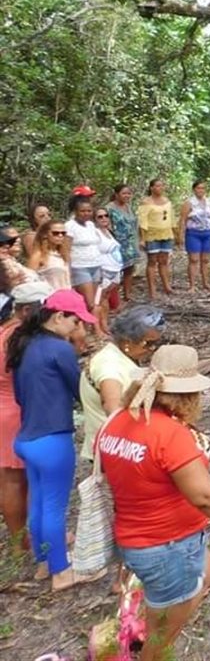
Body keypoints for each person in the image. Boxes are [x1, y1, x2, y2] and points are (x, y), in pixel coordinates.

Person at [98, 344, 210, 661]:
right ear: (187, 394)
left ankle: (150, 618)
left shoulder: (116, 422)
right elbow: (205, 498)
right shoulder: (171, 434)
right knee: (163, 637)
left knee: (205, 567)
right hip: (165, 547)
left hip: (133, 535)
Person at [6, 288, 105, 590]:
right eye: (76, 323)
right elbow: (81, 391)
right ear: (59, 316)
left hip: (27, 437)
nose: (79, 330)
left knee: (38, 503)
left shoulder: (24, 343)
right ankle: (61, 571)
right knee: (53, 507)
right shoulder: (58, 349)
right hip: (52, 440)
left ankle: (43, 561)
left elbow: (22, 395)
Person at [0, 281, 52, 550]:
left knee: (9, 479)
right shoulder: (23, 338)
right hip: (21, 411)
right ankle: (36, 539)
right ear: (27, 309)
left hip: (3, 409)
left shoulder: (4, 332)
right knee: (35, 478)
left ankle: (19, 540)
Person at [79, 305, 165, 465]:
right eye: (148, 343)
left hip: (121, 446)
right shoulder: (109, 367)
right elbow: (114, 411)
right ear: (127, 341)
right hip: (115, 450)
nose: (152, 349)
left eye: (157, 343)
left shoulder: (119, 355)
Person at [65, 194, 107, 327]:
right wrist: (68, 269)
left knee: (95, 299)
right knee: (89, 302)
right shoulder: (69, 226)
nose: (86, 213)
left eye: (89, 211)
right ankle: (95, 330)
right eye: (82, 211)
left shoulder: (90, 225)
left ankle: (87, 326)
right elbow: (66, 249)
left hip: (95, 265)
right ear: (75, 211)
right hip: (80, 267)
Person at [138, 178, 177, 300]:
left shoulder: (167, 201)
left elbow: (172, 218)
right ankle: (152, 290)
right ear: (151, 188)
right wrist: (143, 239)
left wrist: (176, 233)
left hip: (166, 233)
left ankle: (166, 286)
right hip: (152, 234)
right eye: (157, 186)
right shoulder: (146, 202)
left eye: (162, 186)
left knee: (164, 261)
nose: (160, 188)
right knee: (152, 262)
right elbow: (142, 221)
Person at [178, 180, 210, 293]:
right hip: (193, 234)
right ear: (194, 189)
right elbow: (183, 219)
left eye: (203, 188)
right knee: (194, 260)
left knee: (205, 260)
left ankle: (206, 283)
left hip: (207, 233)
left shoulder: (209, 202)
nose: (201, 190)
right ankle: (192, 286)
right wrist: (180, 235)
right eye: (198, 188)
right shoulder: (189, 203)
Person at [91, 208, 123, 336]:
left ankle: (105, 323)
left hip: (115, 270)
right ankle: (99, 327)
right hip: (104, 270)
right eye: (100, 217)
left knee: (106, 297)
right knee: (98, 299)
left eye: (106, 216)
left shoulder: (109, 232)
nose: (104, 218)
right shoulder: (95, 234)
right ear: (94, 220)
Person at [106, 184, 140, 302]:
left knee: (129, 269)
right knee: (114, 270)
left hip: (130, 243)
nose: (127, 196)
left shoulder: (128, 207)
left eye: (129, 193)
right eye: (124, 193)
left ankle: (127, 294)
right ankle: (112, 298)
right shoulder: (109, 208)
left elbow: (134, 224)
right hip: (116, 242)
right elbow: (106, 225)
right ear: (116, 194)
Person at [27, 219, 72, 291]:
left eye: (63, 233)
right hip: (48, 296)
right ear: (45, 234)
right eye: (55, 233)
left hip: (65, 295)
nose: (60, 235)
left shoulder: (63, 255)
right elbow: (29, 280)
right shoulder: (39, 255)